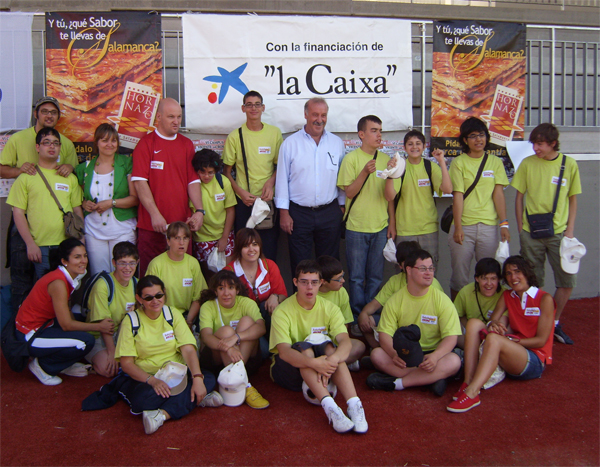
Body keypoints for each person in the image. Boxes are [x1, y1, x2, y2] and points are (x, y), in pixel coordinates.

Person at [270, 260, 368, 434]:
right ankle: (331, 408)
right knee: (304, 348)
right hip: (288, 370)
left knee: (330, 347)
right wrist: (315, 364)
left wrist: (332, 360)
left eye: (314, 282)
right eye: (304, 282)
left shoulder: (330, 308)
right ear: (295, 282)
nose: (309, 287)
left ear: (321, 283)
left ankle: (354, 405)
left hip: (323, 368)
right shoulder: (282, 311)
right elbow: (284, 352)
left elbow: (345, 341)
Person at [447, 256, 555, 413]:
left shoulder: (544, 298)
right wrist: (494, 325)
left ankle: (472, 393)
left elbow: (541, 341)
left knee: (495, 339)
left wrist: (511, 340)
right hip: (512, 353)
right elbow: (493, 321)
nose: (513, 277)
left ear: (527, 273)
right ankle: (467, 381)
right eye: (509, 274)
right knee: (474, 324)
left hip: (534, 359)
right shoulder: (508, 295)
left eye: (517, 272)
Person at [115, 275, 222, 435]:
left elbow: (188, 349)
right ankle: (196, 398)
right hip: (147, 377)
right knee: (141, 400)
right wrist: (153, 381)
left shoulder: (172, 314)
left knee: (208, 378)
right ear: (139, 299)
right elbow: (127, 364)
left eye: (159, 295)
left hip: (177, 374)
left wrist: (197, 378)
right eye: (148, 297)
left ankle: (162, 415)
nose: (155, 300)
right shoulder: (131, 321)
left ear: (164, 293)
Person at [1, 96, 79, 313]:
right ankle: (19, 328)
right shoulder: (18, 139)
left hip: (55, 225)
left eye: (53, 112)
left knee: (53, 281)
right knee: (21, 275)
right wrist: (21, 171)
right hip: (25, 212)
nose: (49, 115)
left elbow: (73, 172)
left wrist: (70, 169)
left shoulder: (67, 143)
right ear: (36, 114)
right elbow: (1, 169)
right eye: (44, 111)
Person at [511, 123, 581, 345]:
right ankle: (535, 324)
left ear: (553, 143)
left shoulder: (568, 164)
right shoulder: (527, 163)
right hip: (530, 232)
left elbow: (573, 198)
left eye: (540, 144)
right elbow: (519, 196)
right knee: (532, 281)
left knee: (567, 279)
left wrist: (570, 230)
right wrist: (521, 226)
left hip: (559, 232)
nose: (535, 148)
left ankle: (553, 323)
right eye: (533, 143)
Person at [15, 238, 114, 386]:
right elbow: (67, 325)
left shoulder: (68, 276)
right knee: (85, 341)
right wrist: (99, 327)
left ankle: (63, 364)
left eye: (85, 255)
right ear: (64, 261)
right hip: (29, 334)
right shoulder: (58, 282)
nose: (83, 261)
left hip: (44, 325)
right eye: (77, 257)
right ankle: (43, 366)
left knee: (79, 323)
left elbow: (66, 313)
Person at [366, 249, 461, 397]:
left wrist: (435, 357)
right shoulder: (395, 300)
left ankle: (398, 384)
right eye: (423, 268)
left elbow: (451, 338)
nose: (429, 273)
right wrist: (393, 354)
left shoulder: (442, 300)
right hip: (405, 355)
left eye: (431, 268)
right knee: (377, 354)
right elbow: (384, 334)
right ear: (408, 270)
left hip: (433, 355)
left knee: (454, 361)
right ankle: (431, 378)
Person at [337, 115, 400, 324]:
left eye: (380, 130)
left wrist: (392, 223)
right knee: (355, 278)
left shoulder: (387, 160)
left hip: (380, 227)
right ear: (361, 134)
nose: (379, 135)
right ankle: (356, 320)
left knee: (375, 276)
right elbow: (350, 193)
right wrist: (364, 171)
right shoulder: (351, 159)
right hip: (355, 227)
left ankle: (371, 318)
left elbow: (389, 197)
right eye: (374, 130)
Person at [131, 97, 205, 275]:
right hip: (152, 227)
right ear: (158, 117)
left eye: (179, 117)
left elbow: (192, 181)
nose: (176, 121)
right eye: (171, 117)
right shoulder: (146, 144)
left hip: (181, 227)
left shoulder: (186, 144)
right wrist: (155, 214)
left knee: (182, 277)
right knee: (151, 280)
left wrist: (199, 211)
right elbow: (140, 183)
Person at [274, 98, 346, 278]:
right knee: (300, 265)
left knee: (329, 263)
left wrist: (342, 206)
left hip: (329, 211)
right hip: (299, 214)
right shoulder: (290, 144)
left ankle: (329, 304)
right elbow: (282, 179)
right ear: (306, 115)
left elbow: (341, 178)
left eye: (323, 115)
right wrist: (284, 213)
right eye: (315, 114)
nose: (319, 119)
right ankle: (301, 304)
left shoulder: (336, 143)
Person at [6, 127, 84, 279]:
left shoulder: (69, 178)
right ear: (37, 147)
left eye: (56, 143)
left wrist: (80, 241)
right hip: (40, 247)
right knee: (44, 292)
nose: (52, 146)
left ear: (60, 147)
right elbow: (18, 213)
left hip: (67, 247)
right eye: (46, 142)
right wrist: (30, 244)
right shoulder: (26, 177)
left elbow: (77, 210)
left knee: (67, 290)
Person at [448, 117, 510, 300]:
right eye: (473, 136)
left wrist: (504, 224)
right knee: (460, 276)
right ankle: (457, 318)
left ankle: (486, 316)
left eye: (481, 135)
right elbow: (457, 196)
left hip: (488, 227)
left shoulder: (495, 163)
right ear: (465, 140)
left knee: (489, 276)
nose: (478, 139)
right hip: (463, 227)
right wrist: (458, 227)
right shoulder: (459, 163)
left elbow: (498, 195)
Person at [223, 90, 283, 261]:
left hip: (267, 204)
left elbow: (281, 167)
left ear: (263, 107)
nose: (253, 108)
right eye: (249, 105)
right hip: (245, 204)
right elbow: (227, 172)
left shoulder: (274, 133)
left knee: (268, 253)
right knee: (245, 252)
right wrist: (241, 193)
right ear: (243, 108)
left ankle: (267, 287)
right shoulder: (235, 136)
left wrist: (271, 183)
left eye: (257, 104)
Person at [198, 270, 269, 409]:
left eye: (230, 288)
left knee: (248, 322)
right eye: (221, 288)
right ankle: (246, 384)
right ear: (215, 291)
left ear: (237, 290)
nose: (226, 293)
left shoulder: (247, 303)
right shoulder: (208, 306)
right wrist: (228, 347)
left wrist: (236, 337)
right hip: (217, 361)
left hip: (246, 357)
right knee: (226, 330)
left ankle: (237, 376)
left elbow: (261, 328)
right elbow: (206, 336)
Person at [75, 123, 138, 276]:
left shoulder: (127, 164)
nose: (109, 144)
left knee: (124, 274)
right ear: (96, 142)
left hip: (121, 229)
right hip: (94, 230)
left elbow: (135, 199)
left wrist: (111, 203)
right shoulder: (84, 168)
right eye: (104, 140)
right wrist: (85, 203)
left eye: (113, 141)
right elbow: (78, 198)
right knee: (99, 276)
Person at [357, 241, 445, 349]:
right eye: (406, 262)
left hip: (423, 327)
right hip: (397, 323)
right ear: (400, 265)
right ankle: (379, 350)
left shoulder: (431, 283)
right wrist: (363, 314)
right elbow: (375, 304)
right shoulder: (395, 280)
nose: (410, 264)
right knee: (367, 322)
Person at [391, 130, 452, 272]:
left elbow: (448, 189)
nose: (414, 147)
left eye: (418, 144)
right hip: (404, 229)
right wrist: (392, 225)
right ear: (404, 147)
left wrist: (441, 162)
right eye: (410, 144)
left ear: (424, 146)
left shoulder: (430, 167)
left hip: (428, 229)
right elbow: (390, 197)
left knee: (428, 272)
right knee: (404, 272)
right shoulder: (399, 168)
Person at [85, 241, 139, 377]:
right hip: (99, 336)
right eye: (122, 263)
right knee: (109, 370)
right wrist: (112, 353)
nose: (127, 268)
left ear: (137, 263)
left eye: (131, 263)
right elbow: (104, 325)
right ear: (114, 263)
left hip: (121, 333)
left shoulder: (136, 283)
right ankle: (87, 362)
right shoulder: (103, 285)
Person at [146, 222, 207, 329]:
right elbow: (149, 298)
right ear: (168, 241)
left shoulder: (193, 263)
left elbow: (199, 296)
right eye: (177, 238)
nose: (181, 242)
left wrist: (189, 321)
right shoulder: (156, 264)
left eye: (185, 238)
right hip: (161, 317)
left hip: (186, 317)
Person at [224, 228, 287, 330]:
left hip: (266, 318)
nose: (251, 249)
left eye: (255, 244)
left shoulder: (269, 265)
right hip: (241, 321)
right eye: (245, 246)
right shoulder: (229, 272)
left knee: (270, 309)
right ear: (239, 249)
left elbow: (283, 295)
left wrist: (275, 296)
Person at [191, 149, 236, 278]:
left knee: (227, 276)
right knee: (208, 278)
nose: (206, 176)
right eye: (202, 172)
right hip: (202, 238)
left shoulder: (223, 182)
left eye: (210, 173)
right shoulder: (193, 185)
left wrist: (224, 238)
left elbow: (230, 210)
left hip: (224, 235)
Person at [316, 255, 366, 371]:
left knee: (359, 346)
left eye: (342, 276)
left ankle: (329, 364)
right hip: (314, 342)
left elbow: (345, 325)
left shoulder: (342, 292)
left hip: (334, 339)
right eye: (338, 279)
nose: (343, 280)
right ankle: (340, 364)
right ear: (323, 282)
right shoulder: (311, 294)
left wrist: (340, 346)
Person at [454, 258, 504, 349]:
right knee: (453, 332)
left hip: (496, 337)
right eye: (484, 278)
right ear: (477, 278)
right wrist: (471, 329)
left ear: (499, 279)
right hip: (470, 335)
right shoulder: (466, 292)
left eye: (493, 279)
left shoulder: (505, 294)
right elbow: (456, 316)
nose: (489, 284)